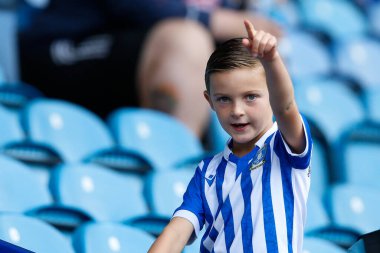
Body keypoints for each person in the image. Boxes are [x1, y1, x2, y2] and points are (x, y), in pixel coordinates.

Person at [148, 19, 312, 253]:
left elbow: (286, 107)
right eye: (224, 99)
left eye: (251, 97)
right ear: (210, 101)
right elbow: (176, 233)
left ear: (272, 96)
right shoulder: (207, 173)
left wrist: (272, 60)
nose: (237, 111)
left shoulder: (283, 147)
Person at [17, 0, 281, 138]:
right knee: (185, 41)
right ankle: (170, 163)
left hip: (133, 60)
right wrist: (216, 21)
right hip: (64, 49)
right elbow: (139, 7)